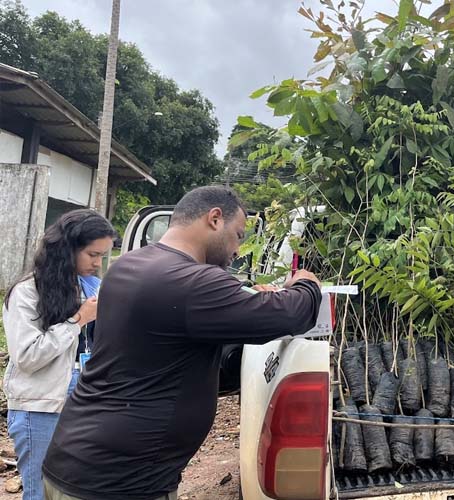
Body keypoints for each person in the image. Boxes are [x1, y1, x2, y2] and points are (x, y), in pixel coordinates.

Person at [41, 186, 322, 500]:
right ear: (215, 219)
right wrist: (305, 284)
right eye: (238, 235)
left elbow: (174, 350)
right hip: (119, 483)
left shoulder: (128, 266)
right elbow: (289, 315)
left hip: (75, 461)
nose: (238, 251)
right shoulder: (192, 282)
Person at [3, 209, 115, 500]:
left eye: (102, 256)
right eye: (92, 254)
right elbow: (27, 355)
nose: (97, 263)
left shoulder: (87, 288)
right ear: (68, 249)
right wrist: (78, 321)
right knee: (40, 491)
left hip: (82, 401)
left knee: (77, 490)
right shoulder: (28, 292)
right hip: (39, 407)